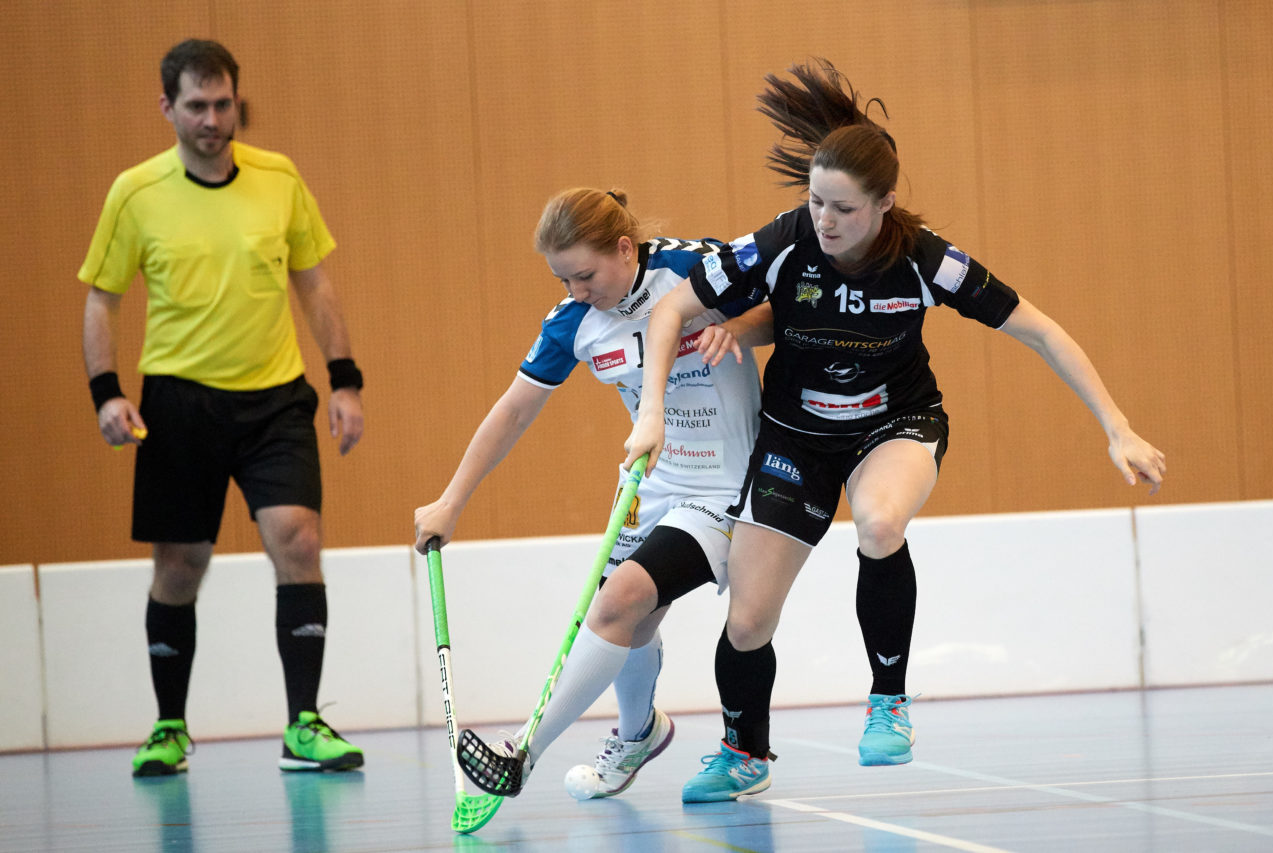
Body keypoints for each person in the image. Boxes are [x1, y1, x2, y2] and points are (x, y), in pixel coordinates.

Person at [624, 58, 1167, 803]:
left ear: (882, 205)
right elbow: (671, 310)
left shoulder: (926, 260)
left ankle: (889, 701)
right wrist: (652, 408)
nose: (825, 220)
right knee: (747, 619)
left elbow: (1040, 331)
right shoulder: (783, 242)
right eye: (817, 201)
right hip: (795, 434)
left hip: (896, 421)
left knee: (879, 521)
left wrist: (1118, 426)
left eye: (843, 208)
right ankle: (745, 751)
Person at [413, 186, 769, 798]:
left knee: (616, 603)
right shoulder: (574, 320)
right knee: (631, 622)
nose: (577, 291)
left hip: (726, 487)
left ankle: (521, 752)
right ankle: (638, 736)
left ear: (624, 248)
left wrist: (735, 326)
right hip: (647, 484)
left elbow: (792, 306)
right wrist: (452, 500)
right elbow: (513, 412)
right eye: (563, 279)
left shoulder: (691, 268)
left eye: (584, 275)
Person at [79, 39, 367, 777]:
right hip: (177, 405)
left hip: (274, 400)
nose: (212, 119)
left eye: (223, 103)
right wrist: (106, 394)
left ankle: (303, 723)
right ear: (168, 107)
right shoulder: (135, 192)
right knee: (180, 564)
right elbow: (101, 300)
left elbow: (315, 283)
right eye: (197, 106)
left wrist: (343, 379)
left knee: (298, 540)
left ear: (238, 100)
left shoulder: (278, 179)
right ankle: (168, 727)